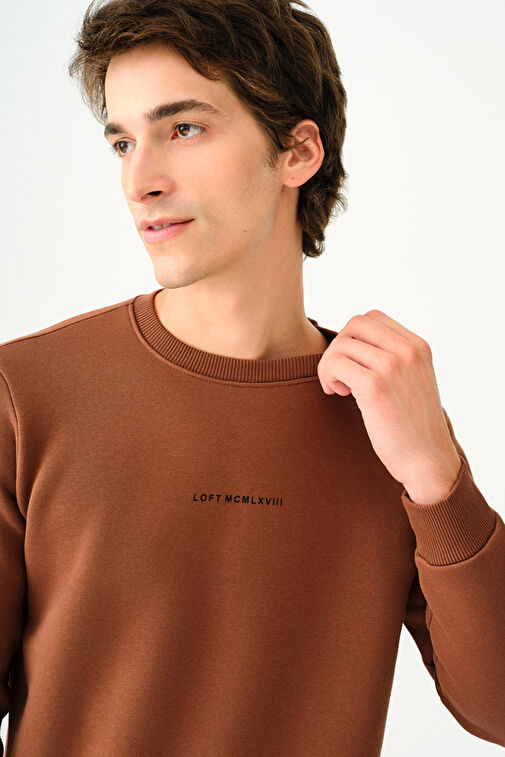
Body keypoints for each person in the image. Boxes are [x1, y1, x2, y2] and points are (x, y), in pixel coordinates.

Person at [1, 1, 504, 755]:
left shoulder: (386, 416)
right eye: (123, 142)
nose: (139, 181)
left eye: (183, 128)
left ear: (298, 152)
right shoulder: (25, 393)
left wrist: (439, 480)